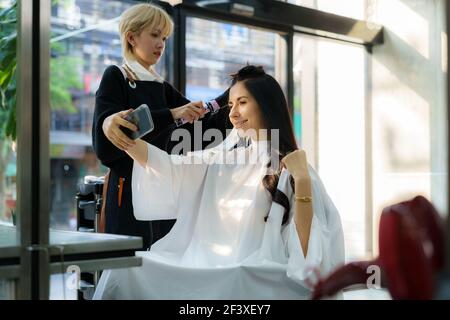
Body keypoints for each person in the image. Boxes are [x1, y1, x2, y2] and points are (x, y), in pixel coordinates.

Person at [93, 65, 345, 299]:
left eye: (242, 103)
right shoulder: (222, 158)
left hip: (252, 275)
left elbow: (308, 257)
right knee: (123, 269)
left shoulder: (293, 167)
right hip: (207, 264)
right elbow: (168, 166)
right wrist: (115, 131)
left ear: (267, 105)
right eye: (231, 104)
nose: (233, 114)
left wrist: (301, 181)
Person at [92, 3, 231, 249]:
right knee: (130, 272)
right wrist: (171, 114)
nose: (161, 44)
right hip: (128, 199)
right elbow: (108, 145)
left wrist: (234, 96)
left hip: (165, 193)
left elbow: (200, 129)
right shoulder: (116, 77)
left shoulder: (162, 87)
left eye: (164, 38)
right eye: (155, 35)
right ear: (131, 37)